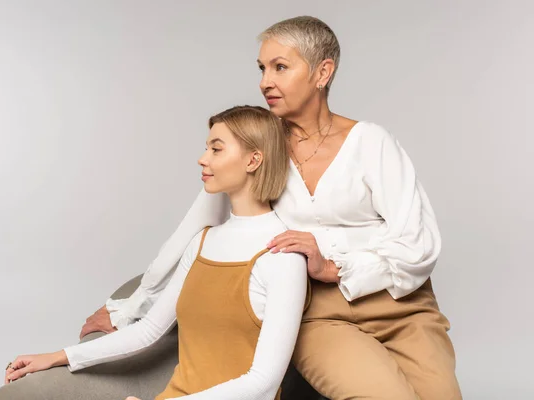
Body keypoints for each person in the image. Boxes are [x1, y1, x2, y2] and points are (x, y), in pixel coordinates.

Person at [94, 16, 463, 400]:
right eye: (262, 69)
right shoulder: (259, 149)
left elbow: (417, 243)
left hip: (404, 307)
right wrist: (131, 308)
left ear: (323, 72)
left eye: (280, 67)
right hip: (319, 314)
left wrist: (334, 265)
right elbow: (194, 231)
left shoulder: (372, 142)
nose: (264, 81)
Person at [0, 105, 309, 400]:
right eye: (206, 147)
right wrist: (57, 357)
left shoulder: (284, 255)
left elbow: (264, 382)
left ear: (253, 160)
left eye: (216, 148)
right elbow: (148, 330)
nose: (202, 159)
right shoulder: (203, 242)